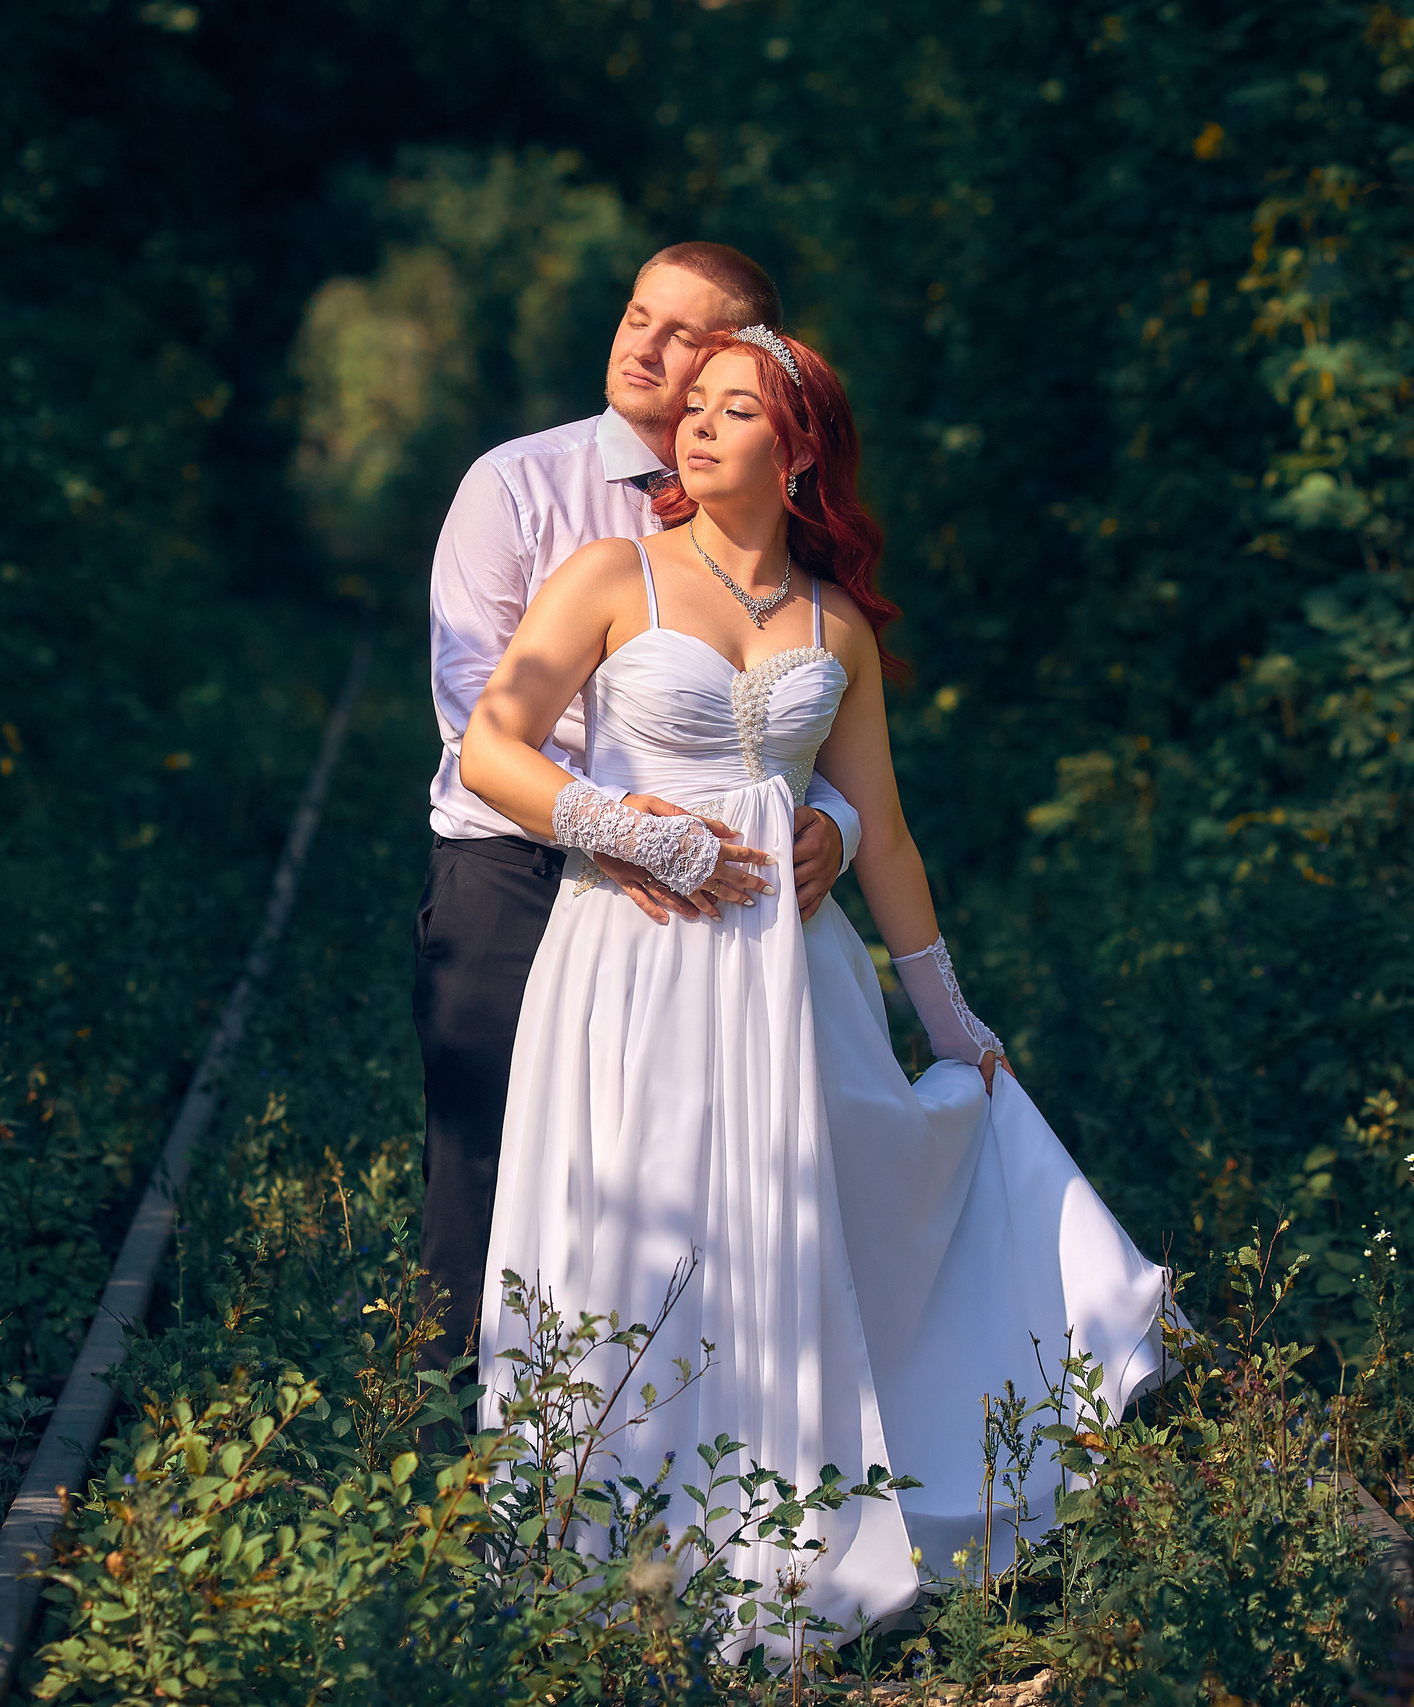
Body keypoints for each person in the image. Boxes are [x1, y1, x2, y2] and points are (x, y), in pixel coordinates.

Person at [457, 326, 1171, 1636]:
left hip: (795, 977)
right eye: (698, 406)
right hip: (631, 960)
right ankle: (613, 1563)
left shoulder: (832, 622)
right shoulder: (613, 573)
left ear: (798, 458)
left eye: (739, 410)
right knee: (645, 1233)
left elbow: (883, 830)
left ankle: (796, 1549)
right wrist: (626, 827)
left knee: (818, 1221)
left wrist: (951, 1016)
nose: (701, 425)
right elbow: (493, 747)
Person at [414, 243, 862, 1379]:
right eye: (634, 316)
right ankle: (446, 1460)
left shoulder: (762, 496)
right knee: (497, 1156)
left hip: (725, 886)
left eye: (681, 337)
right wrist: (620, 828)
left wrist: (834, 827)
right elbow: (480, 715)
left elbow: (801, 703)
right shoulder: (516, 483)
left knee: (699, 1170)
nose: (641, 347)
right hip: (514, 862)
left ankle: (692, 1429)